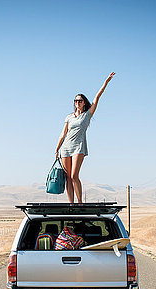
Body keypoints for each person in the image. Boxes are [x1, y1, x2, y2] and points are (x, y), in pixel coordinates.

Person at [55, 72, 115, 203]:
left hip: (79, 147)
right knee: (67, 178)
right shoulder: (69, 117)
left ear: (84, 103)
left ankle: (80, 202)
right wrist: (57, 148)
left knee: (74, 175)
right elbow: (63, 133)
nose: (77, 102)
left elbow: (97, 97)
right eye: (75, 100)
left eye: (80, 100)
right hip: (65, 148)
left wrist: (106, 83)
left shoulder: (87, 114)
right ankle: (71, 204)